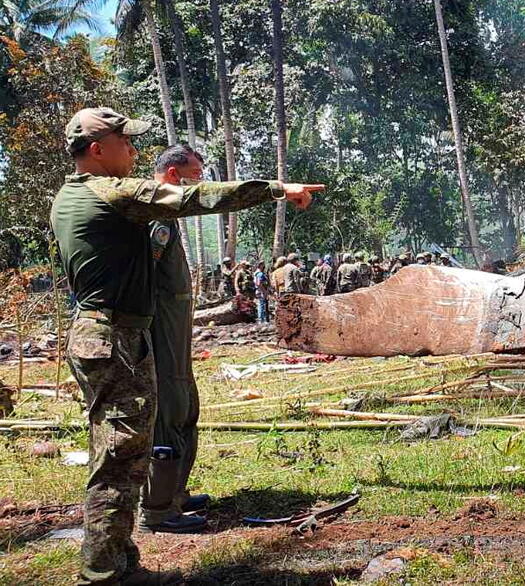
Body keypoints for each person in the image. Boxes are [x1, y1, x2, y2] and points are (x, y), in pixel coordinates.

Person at [51, 107, 324, 586]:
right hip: (113, 337)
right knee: (119, 458)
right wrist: (279, 189)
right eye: (124, 142)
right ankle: (104, 572)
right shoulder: (110, 193)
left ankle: (120, 558)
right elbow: (198, 198)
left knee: (124, 453)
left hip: (104, 334)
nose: (133, 151)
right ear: (96, 150)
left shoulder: (67, 197)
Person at [137, 145, 207, 537]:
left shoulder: (168, 217)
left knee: (185, 406)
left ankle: (176, 494)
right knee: (168, 410)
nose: (199, 183)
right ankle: (159, 508)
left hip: (175, 333)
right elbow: (144, 274)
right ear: (175, 176)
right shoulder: (158, 216)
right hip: (161, 331)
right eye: (194, 175)